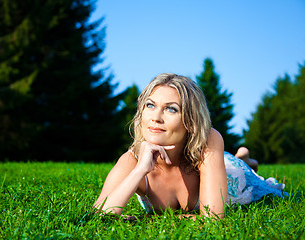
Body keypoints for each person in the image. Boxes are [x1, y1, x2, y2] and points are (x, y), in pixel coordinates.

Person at [93, 73, 287, 219]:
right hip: (216, 164)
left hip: (230, 174)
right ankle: (243, 157)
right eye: (150, 105)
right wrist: (140, 170)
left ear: (191, 122)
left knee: (246, 173)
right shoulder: (131, 160)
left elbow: (213, 219)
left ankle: (244, 160)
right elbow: (99, 215)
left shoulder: (209, 139)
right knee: (233, 161)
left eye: (171, 109)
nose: (155, 118)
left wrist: (148, 220)